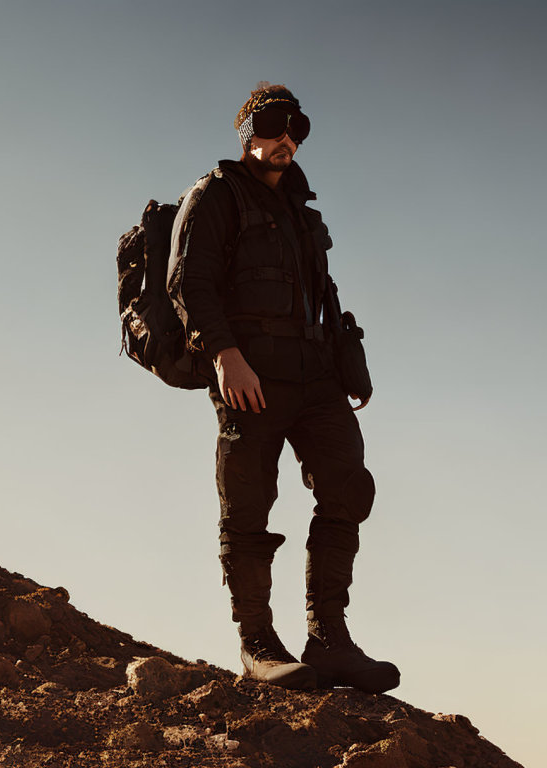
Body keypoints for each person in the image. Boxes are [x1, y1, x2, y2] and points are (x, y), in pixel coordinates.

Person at [167, 83, 399, 693]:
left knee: (348, 485)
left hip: (316, 375)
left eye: (295, 129)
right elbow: (189, 283)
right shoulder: (215, 196)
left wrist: (350, 365)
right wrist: (224, 357)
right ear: (248, 131)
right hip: (251, 377)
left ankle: (329, 641)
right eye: (272, 126)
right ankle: (258, 643)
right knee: (247, 506)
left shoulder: (302, 209)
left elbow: (322, 297)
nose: (285, 140)